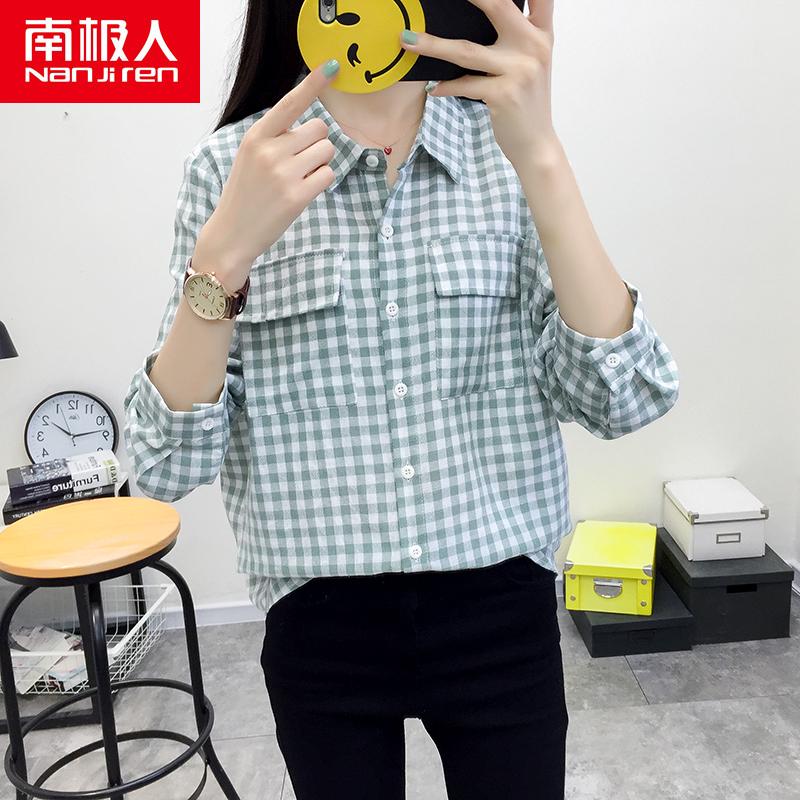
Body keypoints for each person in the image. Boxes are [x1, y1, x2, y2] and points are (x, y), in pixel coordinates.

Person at [123, 1, 680, 797]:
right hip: (319, 619)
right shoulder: (230, 169)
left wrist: (543, 156)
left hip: (501, 606)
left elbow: (621, 399)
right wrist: (222, 258)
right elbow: (164, 464)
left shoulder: (507, 149)